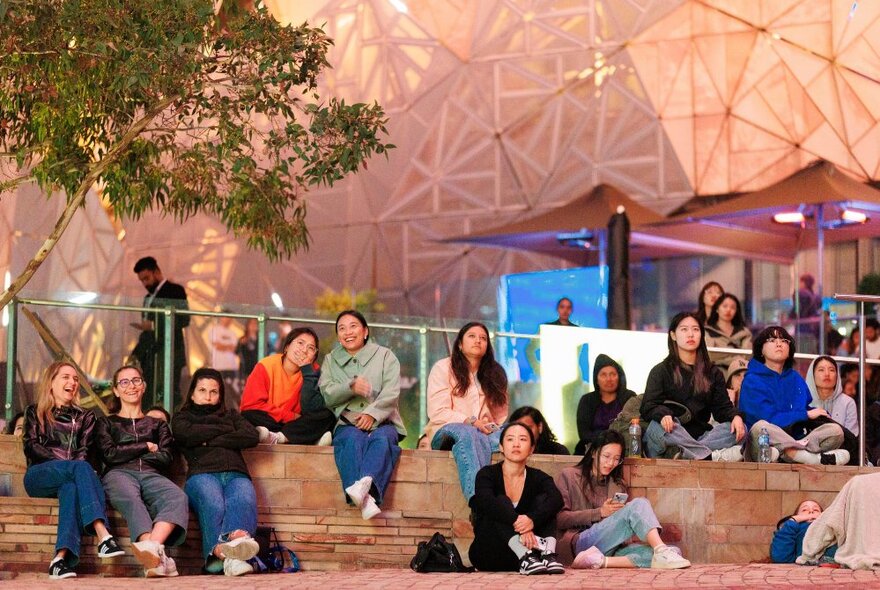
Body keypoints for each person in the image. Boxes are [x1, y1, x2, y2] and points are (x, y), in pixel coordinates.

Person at [22, 361, 125, 579]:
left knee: (71, 489)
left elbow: (85, 450)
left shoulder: (85, 417)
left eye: (76, 378)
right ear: (51, 383)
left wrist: (72, 468)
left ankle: (60, 559)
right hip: (39, 475)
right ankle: (103, 533)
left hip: (71, 477)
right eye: (66, 377)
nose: (72, 382)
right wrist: (65, 465)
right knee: (78, 469)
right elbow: (32, 446)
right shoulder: (35, 411)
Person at [95, 365, 188, 577]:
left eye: (136, 380)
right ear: (116, 390)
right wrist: (145, 446)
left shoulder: (158, 425)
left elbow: (165, 457)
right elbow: (109, 455)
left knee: (178, 497)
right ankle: (158, 557)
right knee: (131, 499)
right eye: (124, 382)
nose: (131, 386)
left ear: (144, 386)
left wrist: (125, 452)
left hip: (151, 474)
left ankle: (153, 553)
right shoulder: (106, 422)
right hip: (118, 474)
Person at [555, 430, 691, 570]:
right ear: (594, 453)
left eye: (616, 459)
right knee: (640, 504)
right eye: (606, 456)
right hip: (580, 542)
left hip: (611, 546)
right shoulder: (569, 476)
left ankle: (600, 561)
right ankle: (661, 550)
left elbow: (620, 524)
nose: (610, 463)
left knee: (675, 552)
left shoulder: (617, 485)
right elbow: (560, 519)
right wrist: (599, 512)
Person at [171, 367, 261, 576]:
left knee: (243, 500)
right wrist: (227, 431)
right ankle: (233, 551)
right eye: (202, 390)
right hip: (202, 475)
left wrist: (205, 440)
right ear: (192, 393)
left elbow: (250, 436)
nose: (208, 396)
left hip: (236, 472)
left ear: (220, 395)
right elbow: (186, 434)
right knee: (214, 504)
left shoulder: (231, 414)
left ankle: (220, 556)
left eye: (214, 392)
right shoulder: (182, 418)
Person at [319, 310, 406, 520]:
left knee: (384, 439)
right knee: (350, 440)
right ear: (338, 335)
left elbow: (391, 392)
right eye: (342, 328)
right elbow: (327, 393)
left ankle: (364, 488)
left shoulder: (385, 356)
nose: (348, 332)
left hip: (383, 419)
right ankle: (367, 498)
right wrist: (350, 386)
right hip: (348, 421)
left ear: (365, 331)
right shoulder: (331, 360)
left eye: (353, 326)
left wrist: (372, 414)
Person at [641, 312, 746, 461]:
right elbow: (648, 406)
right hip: (671, 432)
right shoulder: (661, 370)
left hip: (700, 435)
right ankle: (708, 457)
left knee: (739, 429)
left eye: (695, 330)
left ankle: (686, 453)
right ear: (673, 335)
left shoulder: (712, 373)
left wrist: (735, 416)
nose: (690, 334)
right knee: (656, 428)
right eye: (684, 329)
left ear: (701, 335)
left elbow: (721, 409)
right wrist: (663, 414)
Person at [739, 326, 849, 465]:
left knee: (836, 431)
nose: (779, 343)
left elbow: (803, 408)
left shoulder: (795, 377)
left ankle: (789, 453)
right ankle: (809, 457)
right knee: (761, 428)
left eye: (784, 340)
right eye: (772, 340)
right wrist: (806, 414)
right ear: (761, 349)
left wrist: (817, 414)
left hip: (797, 438)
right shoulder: (752, 380)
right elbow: (769, 419)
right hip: (764, 442)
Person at [426, 322, 509, 500]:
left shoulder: (496, 373)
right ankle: (477, 499)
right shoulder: (443, 367)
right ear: (460, 344)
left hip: (483, 433)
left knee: (513, 434)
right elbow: (437, 411)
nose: (478, 340)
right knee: (468, 433)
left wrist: (490, 426)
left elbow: (501, 415)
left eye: (483, 338)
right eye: (472, 336)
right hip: (446, 430)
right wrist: (470, 421)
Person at [468, 422, 565, 575]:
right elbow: (485, 501)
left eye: (523, 439)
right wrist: (519, 524)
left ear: (532, 449)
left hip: (534, 557)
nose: (516, 444)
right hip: (489, 552)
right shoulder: (487, 474)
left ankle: (548, 554)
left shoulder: (539, 477)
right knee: (500, 501)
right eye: (510, 439)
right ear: (501, 447)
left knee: (545, 501)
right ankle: (524, 556)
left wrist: (531, 519)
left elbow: (557, 499)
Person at [241, 327, 336, 445]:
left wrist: (307, 371)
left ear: (314, 356)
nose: (304, 350)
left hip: (298, 422)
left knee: (328, 415)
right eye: (300, 343)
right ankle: (306, 437)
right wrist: (290, 416)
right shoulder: (266, 365)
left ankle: (279, 437)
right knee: (248, 415)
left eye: (311, 348)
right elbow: (250, 405)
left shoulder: (314, 371)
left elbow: (312, 408)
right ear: (286, 347)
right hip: (274, 420)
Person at [131, 256, 190, 407]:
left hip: (169, 353)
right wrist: (136, 353)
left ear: (156, 272)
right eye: (142, 280)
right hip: (150, 356)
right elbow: (147, 331)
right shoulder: (147, 298)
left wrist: (154, 326)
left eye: (147, 278)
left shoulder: (175, 291)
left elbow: (184, 319)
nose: (145, 283)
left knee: (168, 397)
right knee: (148, 397)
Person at [575, 354, 637, 455]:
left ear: (619, 377)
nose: (609, 379)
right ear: (596, 379)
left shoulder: (629, 397)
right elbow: (584, 434)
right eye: (603, 375)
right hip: (592, 450)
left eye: (613, 374)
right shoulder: (587, 400)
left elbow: (634, 428)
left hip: (624, 450)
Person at [806, 356, 858, 437]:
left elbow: (852, 436)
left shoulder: (848, 402)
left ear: (837, 376)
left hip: (842, 448)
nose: (827, 374)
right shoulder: (803, 400)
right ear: (812, 375)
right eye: (821, 370)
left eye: (832, 370)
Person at [771, 499, 835, 564]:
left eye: (816, 510)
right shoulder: (792, 529)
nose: (811, 511)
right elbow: (780, 557)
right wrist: (793, 521)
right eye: (804, 510)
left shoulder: (831, 528)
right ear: (797, 515)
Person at [704, 293, 752, 371]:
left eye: (732, 307)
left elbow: (746, 357)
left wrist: (720, 358)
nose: (728, 310)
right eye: (725, 306)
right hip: (715, 373)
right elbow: (709, 356)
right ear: (717, 309)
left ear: (736, 311)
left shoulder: (744, 333)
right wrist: (736, 358)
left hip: (739, 372)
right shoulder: (707, 331)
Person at [211, 316, 241, 407]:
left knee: (233, 391)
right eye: (226, 317)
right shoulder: (214, 330)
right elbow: (217, 346)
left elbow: (233, 348)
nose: (228, 320)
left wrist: (223, 346)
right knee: (220, 389)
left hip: (231, 367)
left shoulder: (232, 333)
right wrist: (227, 347)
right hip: (218, 366)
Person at [236, 318, 260, 383]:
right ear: (247, 325)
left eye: (255, 324)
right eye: (251, 323)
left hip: (257, 370)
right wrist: (242, 344)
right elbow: (237, 352)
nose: (253, 326)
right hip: (245, 370)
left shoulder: (261, 340)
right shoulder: (242, 339)